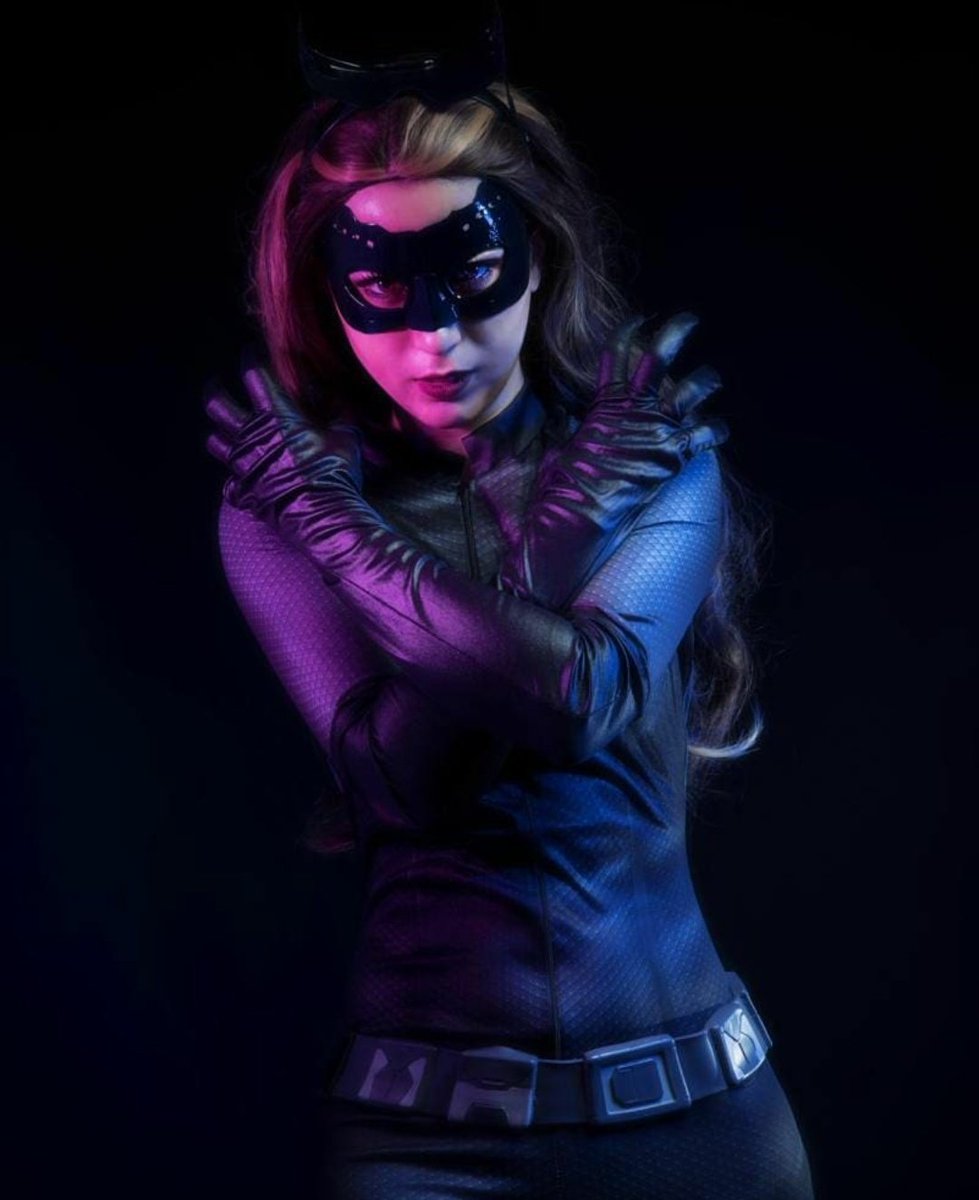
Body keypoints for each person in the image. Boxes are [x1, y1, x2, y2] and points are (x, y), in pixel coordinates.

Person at [203, 7, 816, 1197]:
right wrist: (348, 516)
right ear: (323, 291)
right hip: (421, 1147)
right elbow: (403, 785)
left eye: (476, 277)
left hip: (700, 1132)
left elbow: (575, 700)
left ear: (541, 254)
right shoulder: (279, 506)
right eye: (381, 288)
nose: (439, 340)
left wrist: (348, 528)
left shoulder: (645, 450)